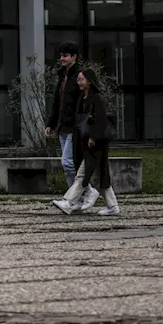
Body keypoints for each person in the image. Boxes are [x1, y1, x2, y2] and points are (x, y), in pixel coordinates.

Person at [53, 68, 120, 216]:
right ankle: (112, 206)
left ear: (89, 81)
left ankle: (69, 202)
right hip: (86, 142)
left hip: (96, 143)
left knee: (82, 174)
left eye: (81, 79)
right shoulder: (82, 98)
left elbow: (100, 120)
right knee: (102, 173)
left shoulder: (97, 98)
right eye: (78, 79)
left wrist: (94, 137)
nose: (78, 82)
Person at [44, 42, 97, 210]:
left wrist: (84, 123)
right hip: (62, 125)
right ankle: (76, 200)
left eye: (65, 55)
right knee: (69, 166)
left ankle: (87, 191)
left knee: (68, 162)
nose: (62, 58)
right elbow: (57, 102)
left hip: (75, 126)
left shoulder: (80, 76)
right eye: (61, 55)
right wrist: (51, 123)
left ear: (74, 57)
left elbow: (86, 100)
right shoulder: (62, 75)